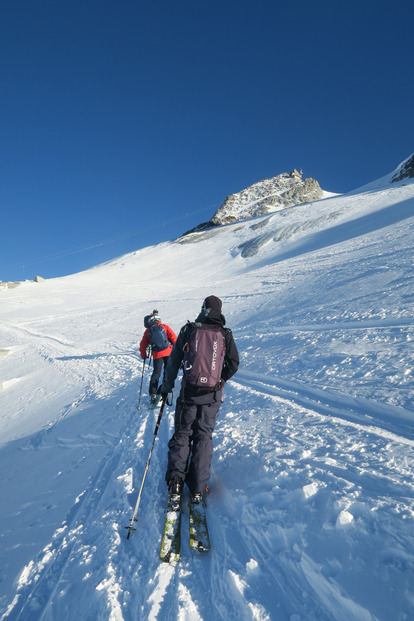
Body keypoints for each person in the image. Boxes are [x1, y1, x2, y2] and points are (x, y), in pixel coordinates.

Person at [160, 295, 239, 504]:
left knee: (183, 433)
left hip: (189, 394)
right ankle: (197, 488)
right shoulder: (225, 334)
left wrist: (166, 387)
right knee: (204, 436)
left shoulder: (189, 330)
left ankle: (176, 483)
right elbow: (234, 363)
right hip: (213, 395)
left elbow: (174, 362)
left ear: (203, 309)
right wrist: (220, 380)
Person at [139, 311, 177, 404]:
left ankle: (153, 393)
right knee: (168, 371)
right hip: (168, 352)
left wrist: (143, 355)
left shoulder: (148, 331)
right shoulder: (165, 327)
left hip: (157, 354)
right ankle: (166, 388)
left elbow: (143, 345)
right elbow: (174, 339)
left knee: (156, 373)